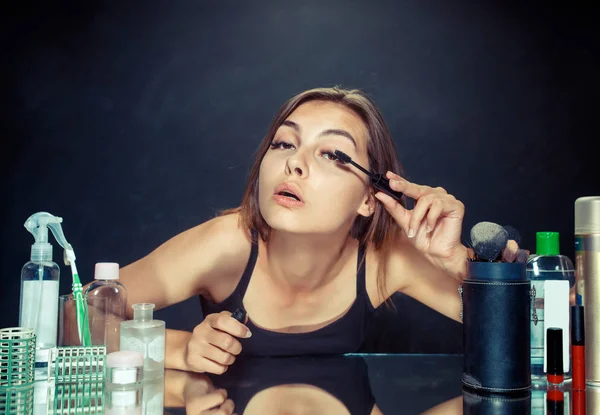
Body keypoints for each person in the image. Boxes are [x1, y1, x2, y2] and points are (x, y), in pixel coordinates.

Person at [120, 87, 468, 375]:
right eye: (284, 143)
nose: (294, 163)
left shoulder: (387, 258)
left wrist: (461, 266)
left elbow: (520, 339)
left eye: (333, 154)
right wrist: (179, 349)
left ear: (368, 198)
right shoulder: (226, 243)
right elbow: (79, 316)